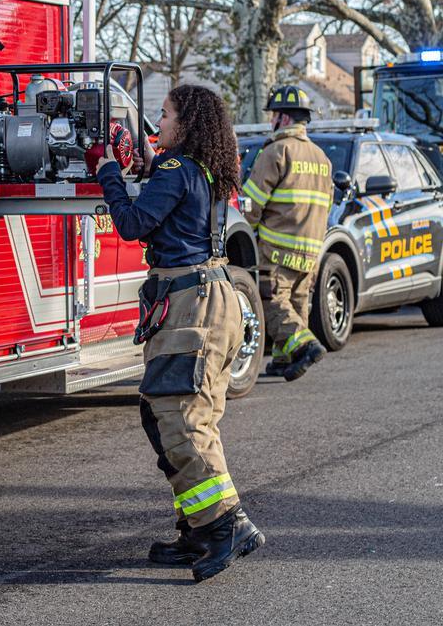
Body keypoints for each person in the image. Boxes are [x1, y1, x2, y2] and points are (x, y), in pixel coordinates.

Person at [87, 85, 264, 583]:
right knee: (170, 415)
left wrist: (107, 173)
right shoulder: (200, 168)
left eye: (163, 115)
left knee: (182, 420)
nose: (156, 123)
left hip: (192, 306)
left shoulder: (174, 169)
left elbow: (132, 223)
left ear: (185, 123)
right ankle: (198, 530)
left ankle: (227, 526)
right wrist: (144, 162)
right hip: (213, 299)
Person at [241, 85, 331, 381]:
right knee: (296, 300)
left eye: (273, 116)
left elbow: (252, 202)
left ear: (282, 118)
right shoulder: (321, 157)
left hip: (277, 247)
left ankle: (306, 345)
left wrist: (245, 232)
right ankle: (284, 358)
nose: (270, 122)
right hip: (312, 248)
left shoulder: (276, 151)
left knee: (272, 300)